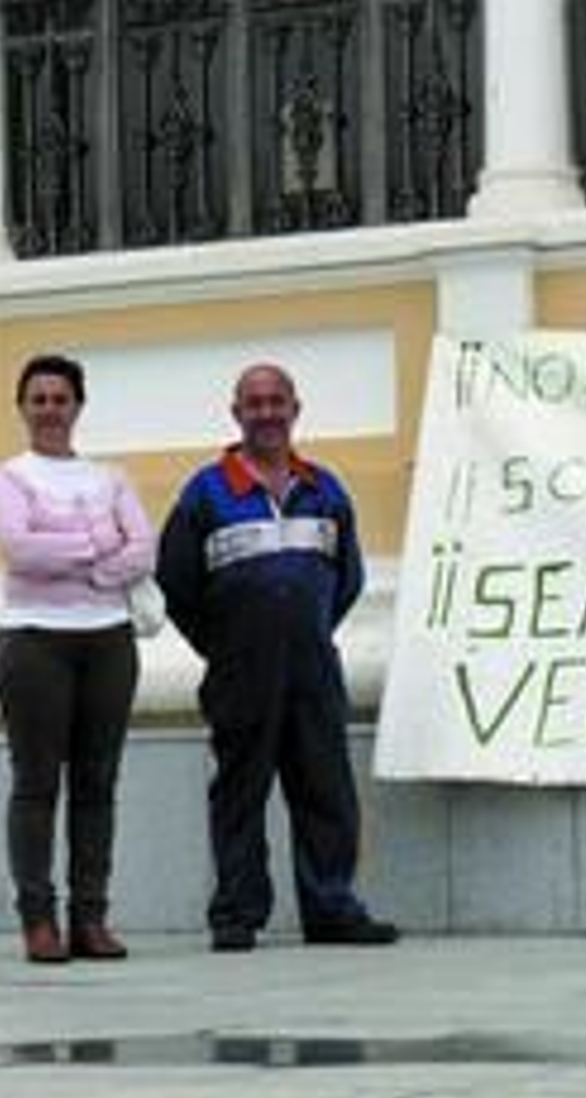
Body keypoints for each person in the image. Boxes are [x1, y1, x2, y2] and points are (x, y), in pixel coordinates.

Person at [157, 362, 398, 952]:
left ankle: (331, 909)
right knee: (241, 791)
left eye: (277, 401)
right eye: (254, 403)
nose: (267, 412)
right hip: (240, 671)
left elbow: (348, 578)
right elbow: (176, 584)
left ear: (295, 409)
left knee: (326, 790)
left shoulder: (326, 489)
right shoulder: (206, 492)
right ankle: (237, 914)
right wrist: (229, 646)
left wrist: (305, 629)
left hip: (314, 665)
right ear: (236, 413)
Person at [0, 354, 155, 963]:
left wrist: (86, 562)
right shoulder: (3, 478)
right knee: (36, 785)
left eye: (61, 398)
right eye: (39, 399)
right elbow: (20, 550)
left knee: (97, 784)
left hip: (108, 642)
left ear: (78, 406)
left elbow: (144, 548)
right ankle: (38, 921)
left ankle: (91, 918)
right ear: (22, 407)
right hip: (34, 643)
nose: (50, 409)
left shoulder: (112, 478)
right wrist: (100, 546)